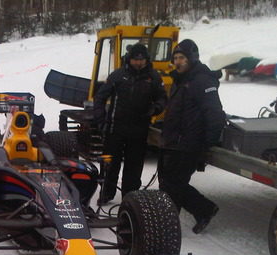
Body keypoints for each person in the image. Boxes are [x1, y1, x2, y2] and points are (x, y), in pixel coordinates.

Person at [158, 39, 226, 234]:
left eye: (182, 58)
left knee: (173, 184)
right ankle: (204, 209)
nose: (178, 62)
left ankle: (168, 226)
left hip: (188, 145)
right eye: (176, 58)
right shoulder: (182, 80)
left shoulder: (201, 81)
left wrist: (206, 144)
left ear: (192, 59)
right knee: (169, 182)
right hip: (173, 142)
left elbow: (215, 114)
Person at [93, 43, 166, 204]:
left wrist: (156, 108)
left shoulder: (153, 77)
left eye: (142, 60)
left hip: (139, 131)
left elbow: (162, 98)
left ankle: (129, 198)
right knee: (109, 164)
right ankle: (106, 193)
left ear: (146, 60)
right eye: (135, 59)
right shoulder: (118, 75)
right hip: (115, 129)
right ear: (129, 59)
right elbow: (100, 98)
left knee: (134, 167)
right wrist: (100, 119)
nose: (138, 63)